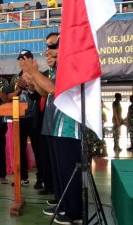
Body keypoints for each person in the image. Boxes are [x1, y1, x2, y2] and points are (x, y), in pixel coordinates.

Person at [21, 33, 83, 224]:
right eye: (48, 46)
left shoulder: (72, 65)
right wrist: (32, 79)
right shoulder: (58, 68)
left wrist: (35, 72)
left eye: (54, 46)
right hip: (54, 126)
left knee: (68, 170)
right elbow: (43, 92)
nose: (49, 49)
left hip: (67, 127)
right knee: (58, 171)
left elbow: (53, 89)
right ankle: (63, 203)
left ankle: (74, 213)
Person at [11, 49, 44, 189]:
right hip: (18, 119)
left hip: (35, 118)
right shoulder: (14, 78)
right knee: (19, 149)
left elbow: (41, 94)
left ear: (31, 60)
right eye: (21, 59)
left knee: (39, 150)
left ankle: (41, 178)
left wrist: (30, 83)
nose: (23, 62)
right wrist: (19, 88)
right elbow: (10, 96)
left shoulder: (40, 75)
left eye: (26, 59)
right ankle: (22, 177)